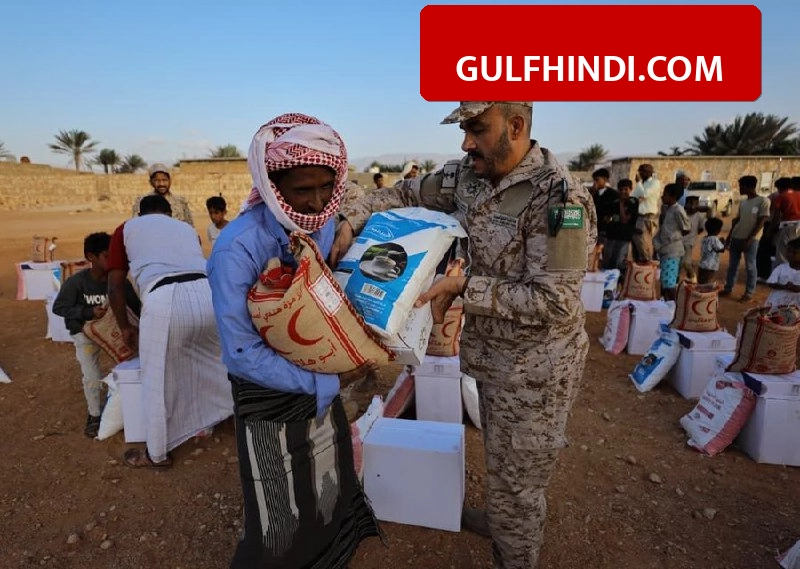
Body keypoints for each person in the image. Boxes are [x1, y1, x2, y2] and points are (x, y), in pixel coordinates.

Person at [330, 101, 597, 569]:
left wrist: (462, 287)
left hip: (537, 373)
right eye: (464, 130)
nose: (466, 142)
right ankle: (500, 515)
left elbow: (555, 302)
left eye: (477, 129)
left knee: (520, 484)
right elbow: (399, 194)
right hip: (491, 358)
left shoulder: (560, 199)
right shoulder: (466, 177)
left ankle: (513, 548)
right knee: (500, 454)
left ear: (516, 126)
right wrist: (351, 219)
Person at [206, 113, 381, 568]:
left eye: (326, 187)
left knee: (327, 487)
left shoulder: (323, 223)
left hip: (320, 378)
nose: (317, 201)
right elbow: (241, 353)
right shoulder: (236, 249)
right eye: (303, 190)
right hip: (269, 395)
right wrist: (328, 382)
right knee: (277, 512)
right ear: (272, 185)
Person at [107, 194, 232, 468]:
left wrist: (125, 327)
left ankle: (157, 454)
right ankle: (227, 417)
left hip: (164, 298)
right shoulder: (186, 229)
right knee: (217, 363)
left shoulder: (127, 228)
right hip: (209, 293)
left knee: (157, 378)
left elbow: (115, 285)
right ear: (169, 214)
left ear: (141, 214)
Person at [52, 232, 141, 438]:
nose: (113, 261)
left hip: (114, 333)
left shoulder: (119, 281)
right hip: (85, 333)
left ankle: (133, 406)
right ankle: (94, 415)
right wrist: (87, 312)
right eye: (107, 256)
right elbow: (60, 307)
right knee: (91, 375)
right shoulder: (77, 282)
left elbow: (137, 308)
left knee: (133, 367)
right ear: (91, 257)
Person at [721, 175, 771, 301]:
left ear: (748, 186)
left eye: (741, 186)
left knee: (750, 265)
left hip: (751, 239)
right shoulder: (743, 203)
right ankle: (728, 288)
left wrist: (750, 238)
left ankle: (749, 292)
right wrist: (729, 236)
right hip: (737, 236)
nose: (740, 189)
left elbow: (761, 221)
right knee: (733, 265)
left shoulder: (763, 201)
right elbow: (736, 221)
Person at [653, 184, 690, 300]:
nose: (662, 197)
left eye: (665, 195)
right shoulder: (668, 209)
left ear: (673, 197)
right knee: (664, 280)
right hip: (665, 249)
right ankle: (666, 303)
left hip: (672, 250)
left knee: (669, 283)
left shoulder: (678, 210)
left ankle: (673, 305)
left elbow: (686, 228)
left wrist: (673, 237)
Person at [602, 178, 637, 274]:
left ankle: (620, 280)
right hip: (611, 236)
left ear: (630, 190)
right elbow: (607, 217)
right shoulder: (614, 202)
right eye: (621, 189)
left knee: (619, 262)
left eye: (626, 189)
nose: (623, 192)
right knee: (608, 261)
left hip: (624, 237)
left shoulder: (633, 202)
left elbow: (624, 220)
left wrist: (621, 203)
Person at [757, 177, 790, 280]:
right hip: (788, 227)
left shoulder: (776, 197)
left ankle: (764, 274)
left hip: (774, 225)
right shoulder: (791, 196)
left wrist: (769, 229)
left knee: (765, 250)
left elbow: (774, 214)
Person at [631, 163, 662, 262]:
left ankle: (647, 262)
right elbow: (634, 197)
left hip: (647, 216)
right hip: (638, 216)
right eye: (640, 171)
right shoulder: (642, 184)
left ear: (650, 172)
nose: (640, 174)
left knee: (643, 241)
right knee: (637, 242)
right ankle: (640, 262)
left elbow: (644, 194)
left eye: (643, 171)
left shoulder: (655, 183)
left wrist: (638, 183)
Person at [770, 175, 800, 267]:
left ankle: (782, 274)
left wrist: (770, 230)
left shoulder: (781, 196)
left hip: (788, 226)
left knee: (782, 254)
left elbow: (776, 216)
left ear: (780, 188)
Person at [764, 237, 800, 308]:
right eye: (788, 251)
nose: (789, 254)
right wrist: (784, 287)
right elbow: (771, 283)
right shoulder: (781, 268)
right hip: (778, 301)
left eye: (794, 252)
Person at [591, 167, 618, 248]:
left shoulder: (613, 194)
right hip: (596, 226)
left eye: (597, 180)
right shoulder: (593, 193)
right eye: (594, 180)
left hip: (607, 228)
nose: (595, 182)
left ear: (605, 179)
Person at [681, 196, 706, 283]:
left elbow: (701, 228)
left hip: (689, 242)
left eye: (696, 204)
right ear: (686, 204)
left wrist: (693, 235)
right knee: (679, 263)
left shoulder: (699, 216)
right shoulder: (682, 213)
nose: (693, 206)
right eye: (690, 203)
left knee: (685, 262)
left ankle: (692, 275)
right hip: (678, 241)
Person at [697, 217, 726, 285]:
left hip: (702, 265)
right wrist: (723, 242)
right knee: (707, 283)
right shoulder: (714, 239)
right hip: (710, 266)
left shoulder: (704, 238)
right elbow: (721, 249)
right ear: (718, 230)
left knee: (701, 282)